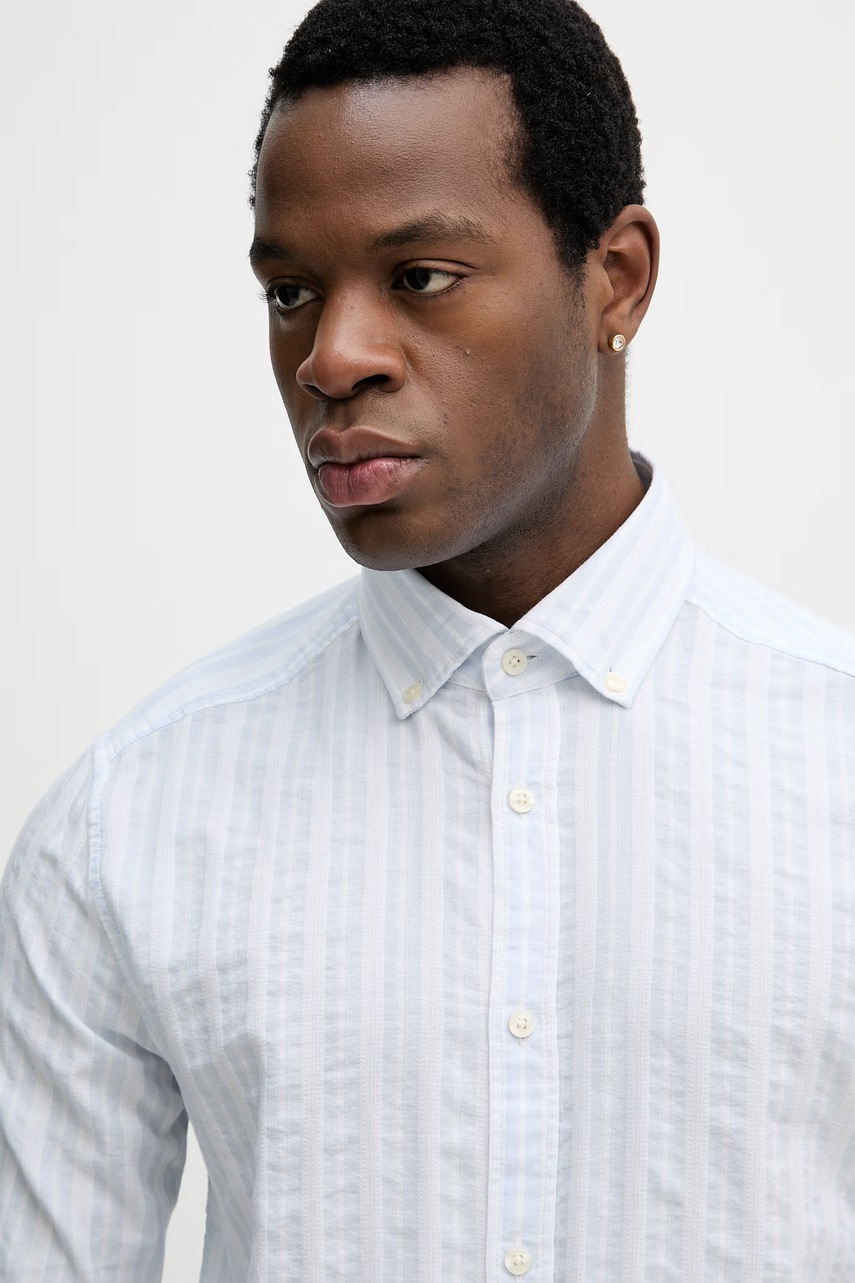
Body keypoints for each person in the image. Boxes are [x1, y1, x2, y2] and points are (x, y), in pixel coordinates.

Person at [1, 0, 854, 1277]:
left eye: (422, 277)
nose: (330, 358)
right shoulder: (126, 824)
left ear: (616, 277)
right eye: (291, 292)